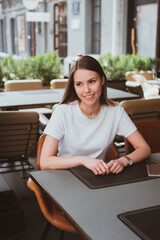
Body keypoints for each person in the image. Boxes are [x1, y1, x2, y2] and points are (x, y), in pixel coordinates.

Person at [40, 55, 151, 175]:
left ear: (102, 80)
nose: (86, 90)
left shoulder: (115, 111)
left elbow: (144, 148)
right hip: (66, 176)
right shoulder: (62, 112)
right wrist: (83, 160)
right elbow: (45, 162)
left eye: (92, 81)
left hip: (98, 177)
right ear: (73, 86)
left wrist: (124, 160)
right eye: (79, 84)